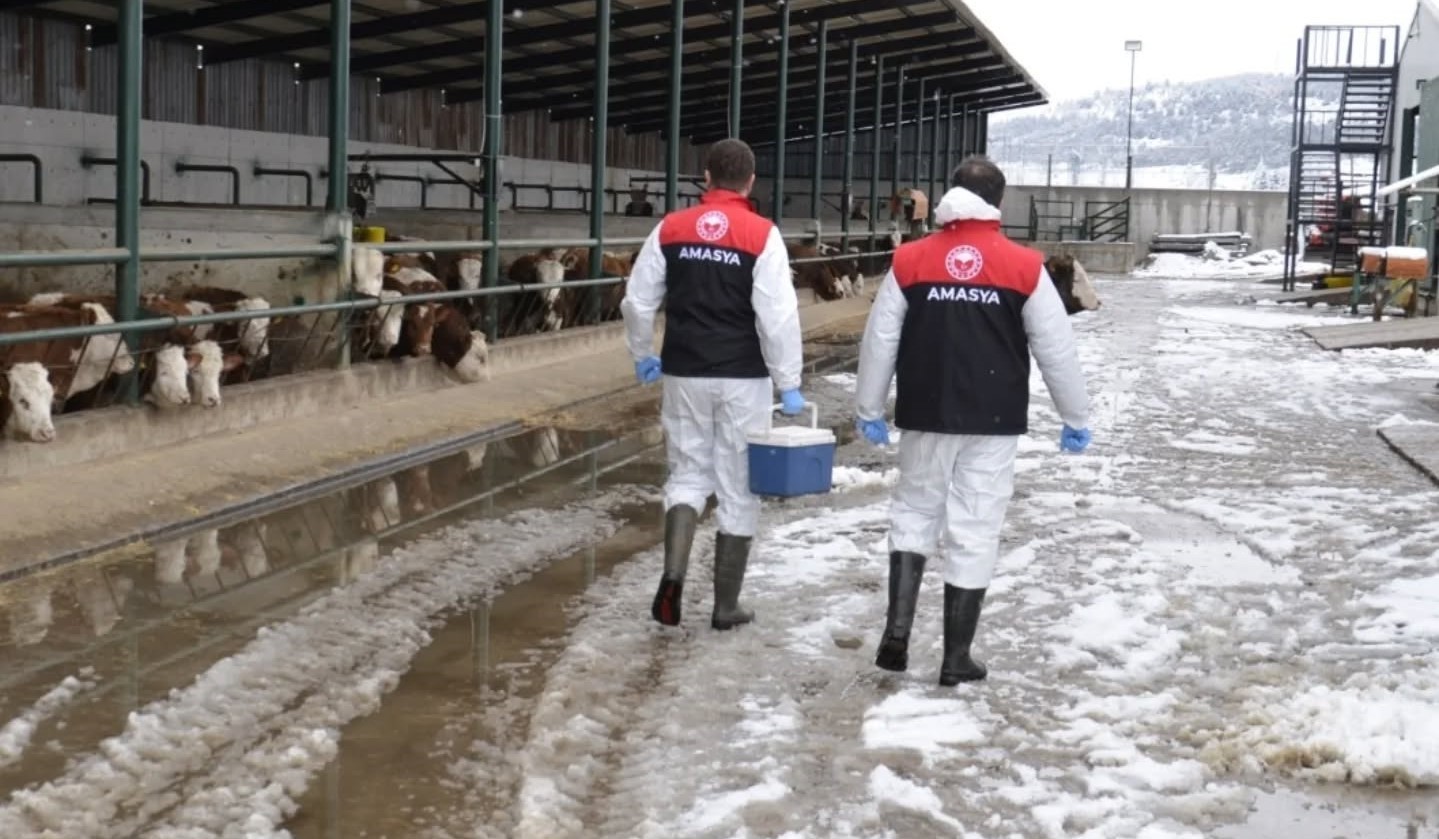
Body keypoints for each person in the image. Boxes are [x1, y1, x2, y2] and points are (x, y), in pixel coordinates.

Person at [854, 155, 1092, 685]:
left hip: (926, 411)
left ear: (949, 195)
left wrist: (869, 407)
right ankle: (955, 657)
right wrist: (1075, 415)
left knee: (914, 512)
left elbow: (880, 341)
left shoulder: (910, 260)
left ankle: (897, 631)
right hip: (994, 417)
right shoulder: (1024, 266)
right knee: (975, 528)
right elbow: (1056, 349)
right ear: (999, 203)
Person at [621, 138, 806, 631]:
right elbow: (778, 315)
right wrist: (789, 381)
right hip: (743, 376)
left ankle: (673, 576)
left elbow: (638, 301)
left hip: (683, 371)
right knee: (738, 487)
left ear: (705, 177)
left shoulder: (671, 227)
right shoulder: (761, 234)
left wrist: (643, 354)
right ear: (750, 181)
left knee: (687, 474)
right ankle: (725, 607)